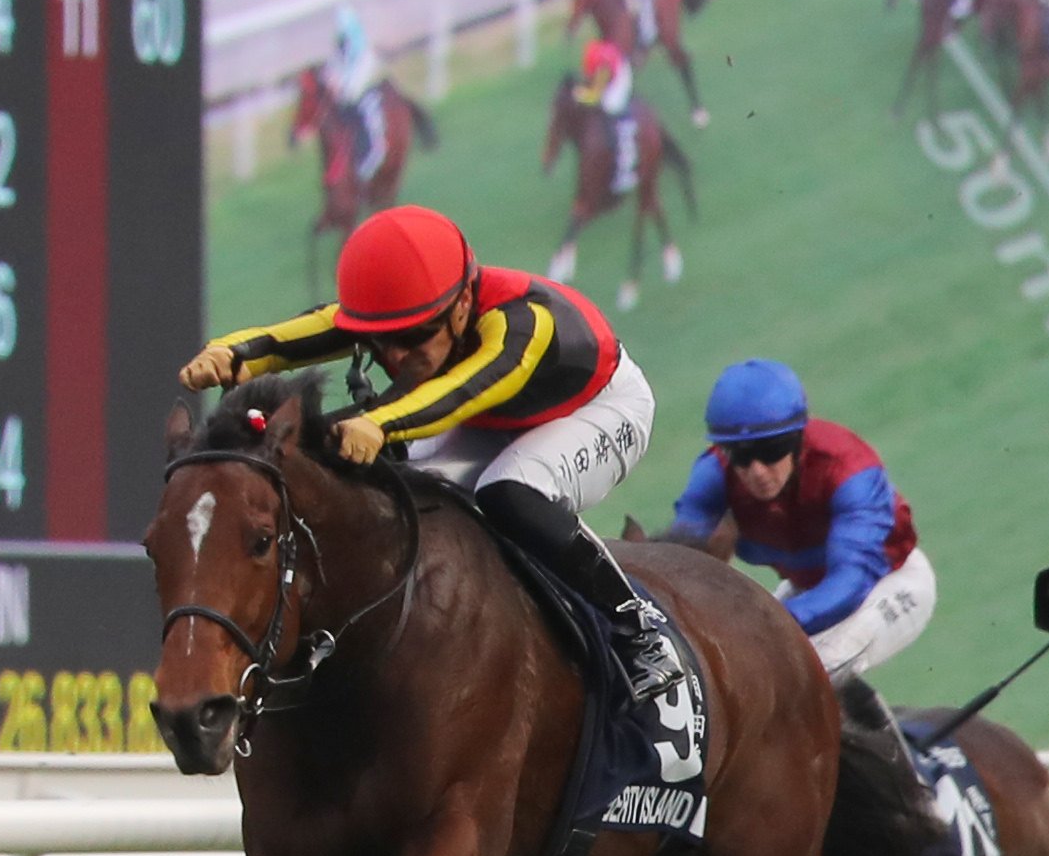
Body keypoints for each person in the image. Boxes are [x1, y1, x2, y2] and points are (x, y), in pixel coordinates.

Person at [181, 204, 687, 697]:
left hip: (594, 408)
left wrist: (377, 423)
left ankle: (638, 631)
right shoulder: (421, 311)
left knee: (509, 490)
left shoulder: (525, 324)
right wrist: (234, 353)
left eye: (414, 337)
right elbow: (308, 332)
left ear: (464, 301)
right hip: (491, 412)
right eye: (381, 342)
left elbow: (460, 394)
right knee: (384, 481)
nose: (397, 356)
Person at [668, 361, 933, 684]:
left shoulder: (849, 470)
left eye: (772, 450)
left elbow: (850, 582)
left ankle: (887, 737)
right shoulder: (714, 476)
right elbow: (680, 563)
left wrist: (762, 624)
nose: (757, 472)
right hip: (804, 589)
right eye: (740, 455)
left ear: (797, 440)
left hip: (885, 582)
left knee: (815, 670)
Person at [323, 7, 388, 185]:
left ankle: (373, 151)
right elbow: (331, 70)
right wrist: (331, 81)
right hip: (346, 93)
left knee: (364, 109)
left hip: (365, 93)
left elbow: (355, 85)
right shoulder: (340, 50)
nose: (342, 40)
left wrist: (340, 87)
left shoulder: (365, 53)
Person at [576, 39, 638, 193]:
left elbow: (594, 96)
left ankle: (626, 170)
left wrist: (581, 95)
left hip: (620, 76)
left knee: (610, 105)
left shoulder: (603, 68)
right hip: (612, 64)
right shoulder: (594, 57)